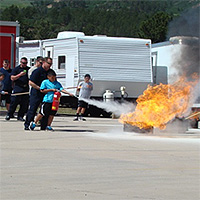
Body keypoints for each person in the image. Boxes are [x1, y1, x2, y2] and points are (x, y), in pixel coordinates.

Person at [24, 57, 52, 130]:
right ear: (44, 62)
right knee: (33, 109)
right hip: (36, 93)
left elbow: (54, 81)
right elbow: (30, 82)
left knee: (46, 110)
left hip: (46, 94)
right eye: (48, 63)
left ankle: (44, 125)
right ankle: (28, 124)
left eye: (51, 64)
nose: (50, 65)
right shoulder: (37, 71)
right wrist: (39, 88)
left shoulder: (50, 72)